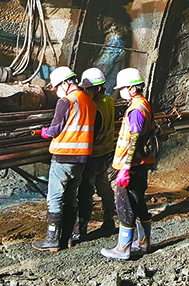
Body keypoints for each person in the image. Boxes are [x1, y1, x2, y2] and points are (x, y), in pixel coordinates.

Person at [32, 66, 96, 252]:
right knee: (71, 197)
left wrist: (43, 132)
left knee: (55, 198)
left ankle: (52, 239)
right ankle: (67, 239)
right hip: (82, 159)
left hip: (63, 157)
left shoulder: (66, 101)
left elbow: (55, 130)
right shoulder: (90, 102)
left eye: (58, 86)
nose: (57, 90)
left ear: (66, 83)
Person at [100, 68, 155, 260]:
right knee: (138, 202)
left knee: (125, 205)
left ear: (132, 88)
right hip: (140, 164)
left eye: (123, 88)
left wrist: (125, 168)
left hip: (131, 166)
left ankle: (123, 248)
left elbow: (134, 140)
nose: (120, 91)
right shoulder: (143, 104)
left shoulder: (136, 110)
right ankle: (144, 241)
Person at [70, 67, 117, 245]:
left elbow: (90, 132)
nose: (84, 91)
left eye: (87, 89)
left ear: (97, 89)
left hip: (93, 156)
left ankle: (80, 231)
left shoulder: (94, 107)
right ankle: (108, 222)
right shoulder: (109, 100)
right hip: (105, 154)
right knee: (105, 188)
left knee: (85, 193)